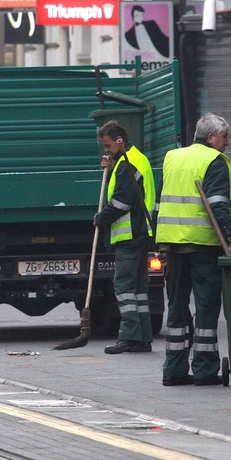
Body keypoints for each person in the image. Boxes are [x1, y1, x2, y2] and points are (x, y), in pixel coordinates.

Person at [155, 113, 231, 386]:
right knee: (206, 306)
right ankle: (205, 370)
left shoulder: (173, 156)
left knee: (177, 306)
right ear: (211, 138)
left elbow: (158, 205)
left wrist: (158, 242)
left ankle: (173, 370)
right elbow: (218, 205)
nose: (227, 143)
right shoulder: (214, 161)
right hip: (203, 245)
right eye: (225, 137)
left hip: (173, 244)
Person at [94, 120, 156, 354]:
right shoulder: (130, 160)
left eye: (109, 146)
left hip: (130, 235)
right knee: (139, 290)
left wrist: (101, 218)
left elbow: (122, 201)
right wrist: (108, 170)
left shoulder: (130, 164)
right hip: (139, 234)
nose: (106, 151)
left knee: (125, 287)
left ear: (120, 141)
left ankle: (130, 337)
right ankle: (142, 338)